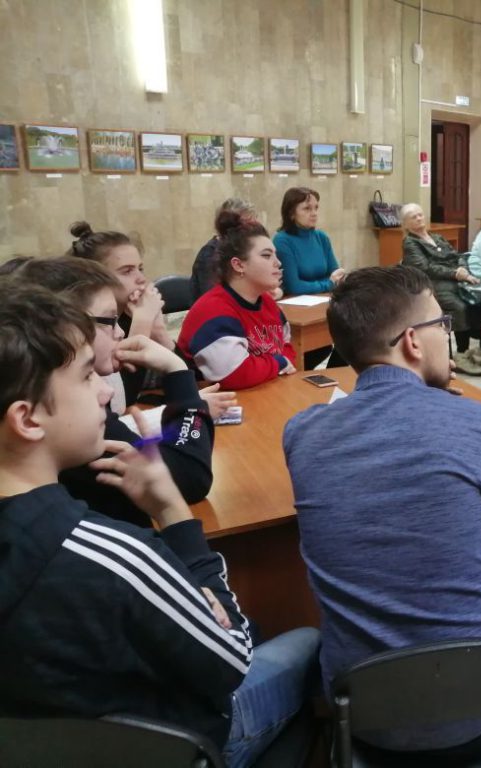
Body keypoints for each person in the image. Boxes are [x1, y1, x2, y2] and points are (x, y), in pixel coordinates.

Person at [0, 283, 319, 768]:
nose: (104, 390)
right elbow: (231, 658)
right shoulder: (113, 554)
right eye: (86, 376)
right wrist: (172, 511)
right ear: (26, 419)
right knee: (311, 641)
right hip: (176, 742)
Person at [284, 265, 481, 759]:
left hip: (361, 714)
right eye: (442, 325)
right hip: (480, 717)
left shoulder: (301, 434)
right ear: (412, 341)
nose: (447, 336)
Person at [13, 256, 216, 529]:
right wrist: (178, 374)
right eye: (110, 320)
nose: (120, 332)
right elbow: (190, 478)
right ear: (67, 323)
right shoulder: (72, 418)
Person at [177, 212, 299, 390]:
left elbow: (288, 349)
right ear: (239, 265)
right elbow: (235, 374)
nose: (278, 263)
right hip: (213, 399)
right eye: (267, 256)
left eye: (275, 255)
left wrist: (275, 362)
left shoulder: (268, 303)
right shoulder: (213, 310)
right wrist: (278, 363)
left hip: (261, 391)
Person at [67, 221, 174, 409]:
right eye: (127, 271)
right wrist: (142, 323)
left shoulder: (129, 314)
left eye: (140, 268)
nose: (141, 279)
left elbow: (180, 377)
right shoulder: (86, 327)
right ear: (95, 278)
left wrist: (159, 331)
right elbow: (119, 402)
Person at [400, 203, 481, 375]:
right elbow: (425, 268)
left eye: (420, 214)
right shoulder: (410, 243)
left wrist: (463, 269)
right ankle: (461, 354)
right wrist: (455, 273)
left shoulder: (437, 237)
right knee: (459, 306)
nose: (419, 218)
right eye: (413, 217)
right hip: (432, 285)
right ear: (405, 224)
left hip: (456, 279)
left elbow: (457, 256)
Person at [272, 187, 345, 296]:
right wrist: (328, 284)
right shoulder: (282, 240)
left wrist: (331, 282)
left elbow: (337, 276)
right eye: (307, 208)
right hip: (296, 301)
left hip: (325, 297)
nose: (314, 213)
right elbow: (294, 286)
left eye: (316, 208)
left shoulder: (322, 237)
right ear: (291, 213)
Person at [190, 198, 260, 298]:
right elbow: (213, 297)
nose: (253, 231)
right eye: (248, 225)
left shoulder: (242, 249)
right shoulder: (209, 254)